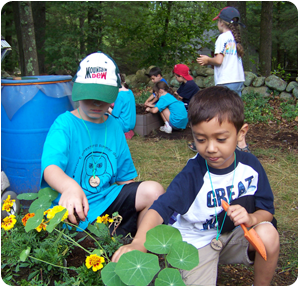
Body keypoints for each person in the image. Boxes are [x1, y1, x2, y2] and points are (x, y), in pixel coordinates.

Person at [112, 86, 279, 286]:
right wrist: (139, 243)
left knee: (268, 234)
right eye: (200, 139)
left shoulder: (251, 166)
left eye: (221, 139)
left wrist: (252, 217)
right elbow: (159, 209)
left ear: (241, 133)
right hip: (196, 243)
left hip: (233, 236)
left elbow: (266, 211)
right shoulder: (194, 173)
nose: (210, 148)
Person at [40, 52, 165, 236]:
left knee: (154, 191)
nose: (97, 102)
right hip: (71, 209)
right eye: (90, 95)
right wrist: (70, 187)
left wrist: (136, 204)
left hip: (105, 201)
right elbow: (50, 168)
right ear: (78, 90)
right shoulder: (64, 124)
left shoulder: (114, 126)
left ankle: (139, 245)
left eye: (103, 95)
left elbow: (126, 179)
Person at [194, 6, 249, 153]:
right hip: (237, 79)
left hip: (226, 80)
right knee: (236, 112)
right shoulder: (233, 38)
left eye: (218, 21)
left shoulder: (222, 38)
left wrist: (207, 60)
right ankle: (241, 144)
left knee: (222, 113)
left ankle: (213, 141)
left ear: (221, 22)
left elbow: (218, 61)